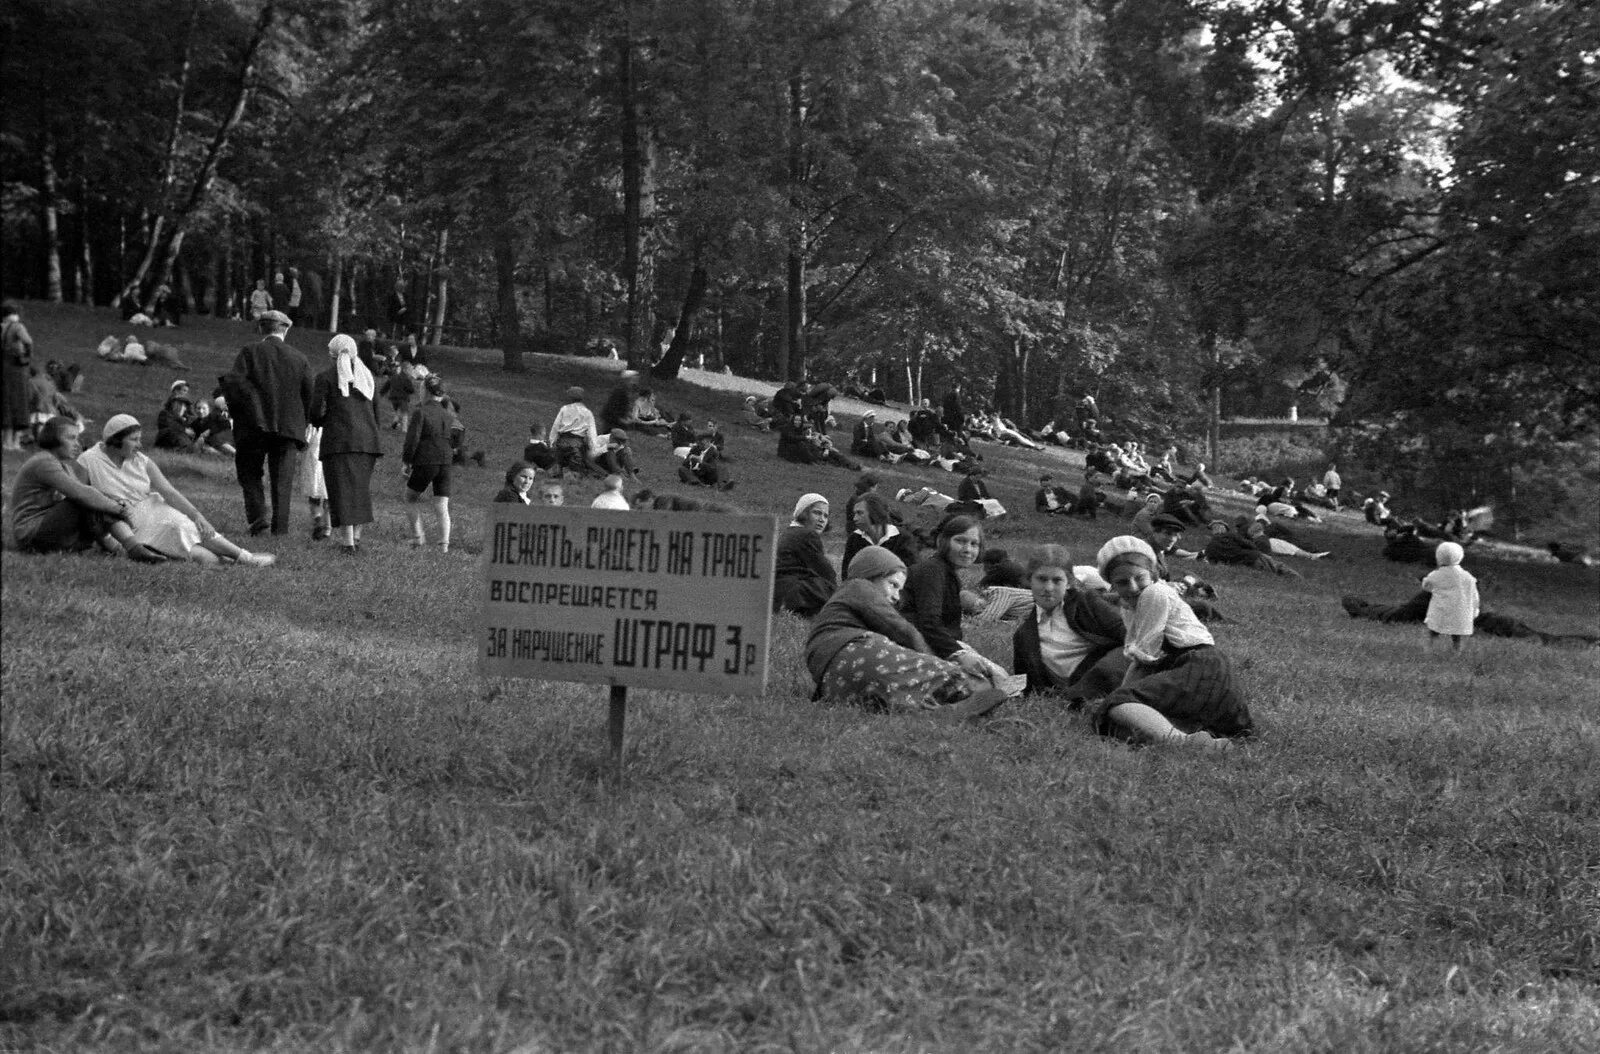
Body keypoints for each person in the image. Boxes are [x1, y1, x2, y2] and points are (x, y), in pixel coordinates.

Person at [1084, 537, 1253, 748]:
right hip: (1188, 668)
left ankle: (1183, 742)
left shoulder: (1155, 593)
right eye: (1122, 582)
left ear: (1153, 574)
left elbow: (1144, 656)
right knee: (1118, 724)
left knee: (1116, 706)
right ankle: (1191, 737)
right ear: (1111, 584)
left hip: (1200, 666)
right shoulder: (1129, 607)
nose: (1133, 587)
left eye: (1139, 577)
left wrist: (1121, 695)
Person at [805, 546, 1009, 720]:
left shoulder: (845, 602)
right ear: (870, 574)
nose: (896, 596)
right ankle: (970, 688)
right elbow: (901, 630)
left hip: (833, 682)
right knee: (947, 674)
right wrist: (937, 659)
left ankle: (934, 713)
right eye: (892, 585)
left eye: (900, 590)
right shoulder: (859, 586)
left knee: (895, 687)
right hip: (852, 651)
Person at [78, 414, 274, 565]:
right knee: (198, 555)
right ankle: (228, 561)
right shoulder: (89, 460)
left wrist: (198, 516)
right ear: (115, 440)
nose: (139, 444)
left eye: (139, 439)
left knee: (185, 526)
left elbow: (169, 492)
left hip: (151, 508)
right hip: (121, 521)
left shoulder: (141, 461)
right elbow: (78, 496)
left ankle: (245, 557)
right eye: (134, 440)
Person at [7, 416, 163, 560]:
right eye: (71, 438)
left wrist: (114, 501)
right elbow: (81, 494)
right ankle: (132, 549)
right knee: (87, 500)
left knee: (96, 500)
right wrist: (120, 509)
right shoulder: (44, 462)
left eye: (77, 438)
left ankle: (125, 550)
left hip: (46, 529)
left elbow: (88, 493)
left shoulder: (64, 466)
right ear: (53, 439)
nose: (77, 444)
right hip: (30, 534)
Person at [224, 310, 312, 536]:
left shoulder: (249, 352)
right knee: (282, 481)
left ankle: (258, 517)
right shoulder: (299, 358)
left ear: (261, 329)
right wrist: (304, 425)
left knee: (249, 472)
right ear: (286, 329)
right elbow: (308, 396)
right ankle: (280, 529)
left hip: (253, 425)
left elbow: (235, 384)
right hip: (289, 429)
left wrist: (240, 413)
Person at [902, 515, 1010, 688]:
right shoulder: (932, 571)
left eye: (974, 544)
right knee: (992, 681)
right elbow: (928, 622)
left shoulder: (946, 572)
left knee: (1000, 677)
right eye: (960, 541)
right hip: (916, 644)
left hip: (936, 642)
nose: (968, 549)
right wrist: (958, 653)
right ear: (943, 541)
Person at [1011, 545, 1128, 700]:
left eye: (1057, 580)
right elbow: (1026, 683)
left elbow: (1128, 634)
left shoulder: (1087, 603)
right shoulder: (1024, 636)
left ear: (1069, 582)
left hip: (1108, 674)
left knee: (1114, 663)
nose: (1048, 588)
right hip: (1069, 691)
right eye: (1041, 579)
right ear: (1029, 580)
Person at [309, 334, 383, 554]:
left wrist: (322, 422)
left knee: (341, 491)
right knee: (360, 490)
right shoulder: (367, 377)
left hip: (339, 441)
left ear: (333, 354)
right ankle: (357, 537)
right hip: (367, 442)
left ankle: (347, 542)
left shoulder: (325, 377)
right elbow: (377, 413)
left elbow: (315, 412)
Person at [402, 374, 458, 553]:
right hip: (446, 461)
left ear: (424, 390)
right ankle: (444, 546)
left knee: (410, 497)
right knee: (442, 504)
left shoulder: (421, 411)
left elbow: (412, 439)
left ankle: (418, 538)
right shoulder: (448, 414)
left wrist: (406, 461)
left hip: (427, 459)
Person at [774, 494, 838, 618]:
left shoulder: (789, 532)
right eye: (817, 513)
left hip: (778, 591)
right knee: (829, 588)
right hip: (792, 593)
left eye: (825, 515)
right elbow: (826, 572)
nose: (822, 519)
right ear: (803, 513)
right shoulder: (806, 535)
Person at [841, 492, 917, 578]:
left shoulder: (903, 539)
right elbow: (847, 575)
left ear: (875, 513)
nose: (855, 518)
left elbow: (909, 575)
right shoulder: (854, 539)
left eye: (860, 513)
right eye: (854, 514)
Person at [1423, 541, 1479, 652]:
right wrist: (1475, 609)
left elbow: (1426, 585)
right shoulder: (1468, 577)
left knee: (1433, 630)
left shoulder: (1436, 574)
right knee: (1456, 633)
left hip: (1441, 611)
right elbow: (1474, 595)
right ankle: (1456, 650)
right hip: (1460, 612)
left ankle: (1429, 648)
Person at [1203, 520, 1301, 577]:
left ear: (1213, 532)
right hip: (1253, 558)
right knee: (1279, 567)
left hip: (1240, 566)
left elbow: (1213, 562)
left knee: (1270, 574)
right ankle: (1299, 579)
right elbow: (1250, 545)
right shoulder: (1232, 535)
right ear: (1224, 528)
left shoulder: (1209, 547)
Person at [2, 302, 34, 451]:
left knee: (6, 403)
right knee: (20, 403)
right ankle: (15, 442)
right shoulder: (18, 327)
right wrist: (27, 355)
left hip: (4, 368)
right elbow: (28, 341)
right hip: (17, 369)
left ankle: (6, 441)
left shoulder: (2, 327)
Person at [549, 387, 601, 477]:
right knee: (579, 466)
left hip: (562, 442)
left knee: (559, 460)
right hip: (577, 445)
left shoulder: (564, 409)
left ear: (570, 397)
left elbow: (555, 426)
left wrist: (551, 441)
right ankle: (574, 471)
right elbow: (592, 433)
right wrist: (594, 449)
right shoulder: (587, 413)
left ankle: (560, 469)